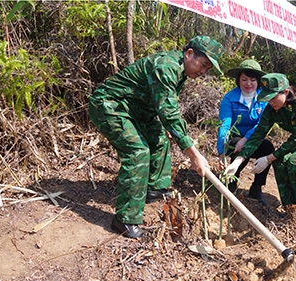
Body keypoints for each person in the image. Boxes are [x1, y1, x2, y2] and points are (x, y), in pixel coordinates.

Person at [88, 36, 224, 238]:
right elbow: (168, 112)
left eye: (207, 69)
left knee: (160, 137)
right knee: (137, 151)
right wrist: (193, 154)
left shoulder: (179, 71)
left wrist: (171, 127)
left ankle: (154, 188)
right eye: (203, 64)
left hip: (138, 111)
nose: (203, 71)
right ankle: (125, 219)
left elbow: (165, 106)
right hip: (110, 106)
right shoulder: (166, 66)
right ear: (189, 54)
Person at [225, 73, 296, 223]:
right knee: (280, 161)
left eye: (273, 97)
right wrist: (238, 161)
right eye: (267, 98)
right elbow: (258, 134)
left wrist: (268, 158)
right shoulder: (272, 109)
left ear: (286, 92)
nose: (270, 102)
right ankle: (291, 208)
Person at [217, 59, 274, 204]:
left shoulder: (264, 99)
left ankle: (256, 188)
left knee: (267, 147)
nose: (248, 84)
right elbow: (224, 125)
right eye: (244, 80)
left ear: (258, 81)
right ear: (238, 80)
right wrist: (221, 152)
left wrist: (246, 139)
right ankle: (231, 181)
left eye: (252, 80)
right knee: (236, 144)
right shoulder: (230, 98)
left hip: (255, 137)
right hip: (235, 139)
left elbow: (262, 124)